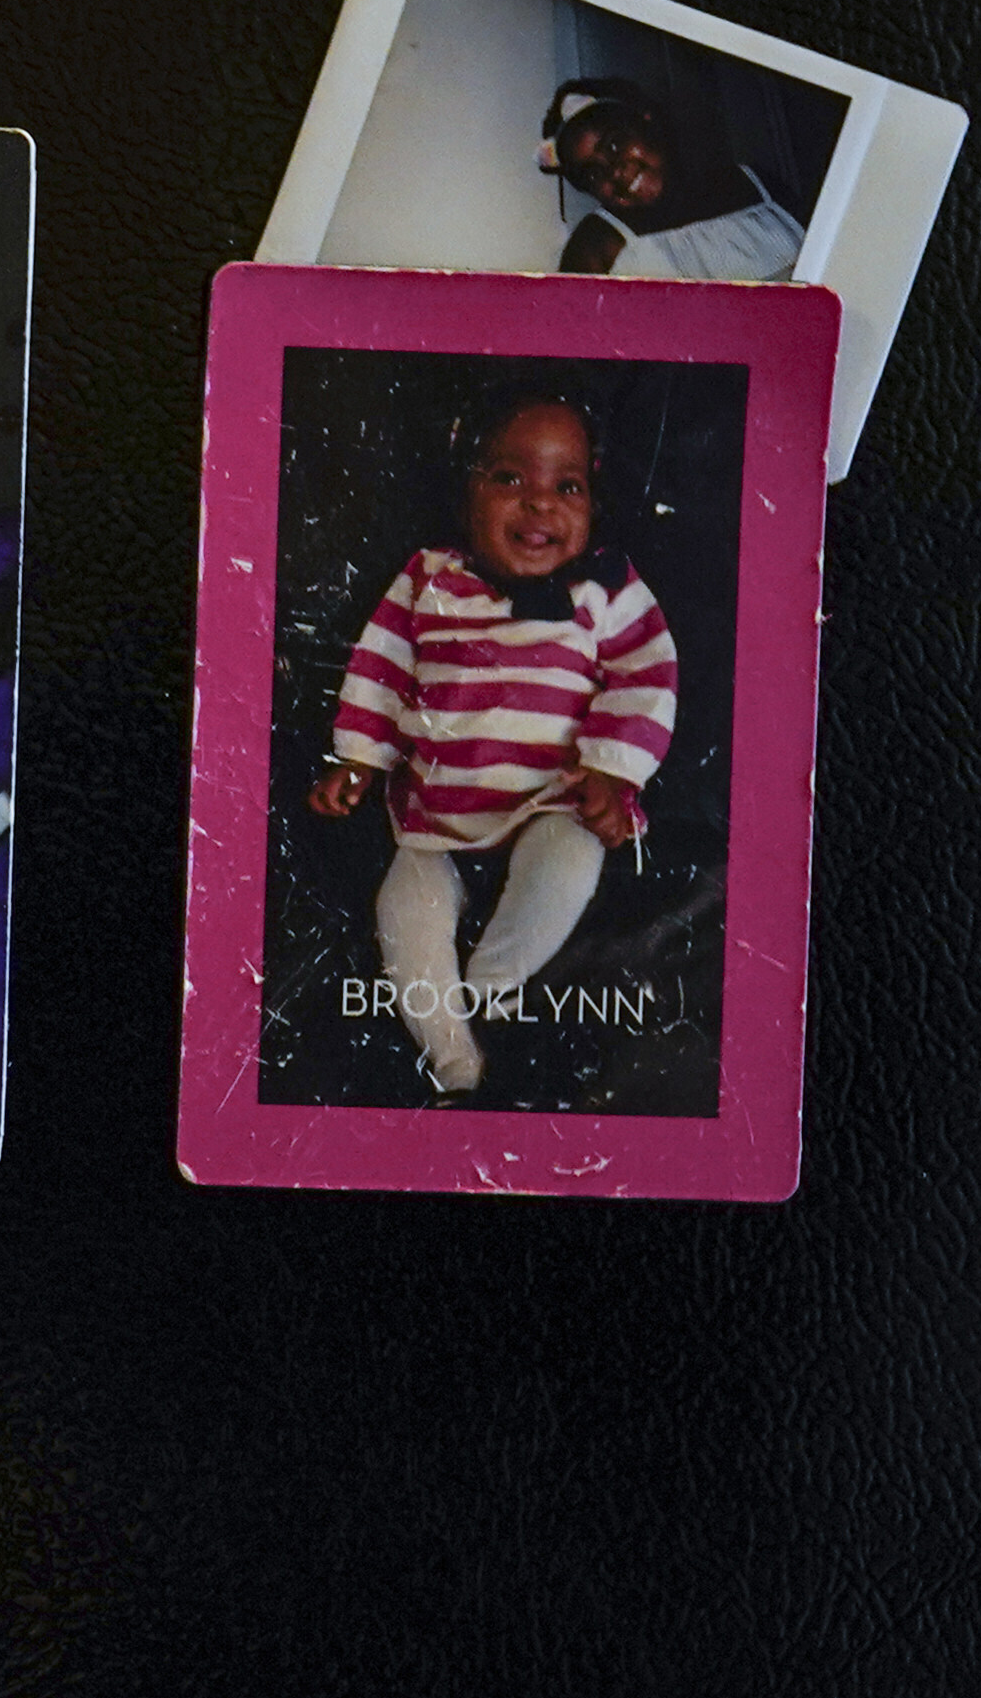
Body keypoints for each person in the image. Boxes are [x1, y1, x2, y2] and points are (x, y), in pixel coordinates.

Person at [308, 388, 680, 1098]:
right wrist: (357, 757)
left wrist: (611, 769)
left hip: (553, 799)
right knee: (403, 915)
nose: (540, 504)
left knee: (570, 863)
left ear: (597, 501)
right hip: (432, 818)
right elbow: (379, 668)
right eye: (510, 478)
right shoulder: (428, 578)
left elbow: (647, 674)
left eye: (566, 485)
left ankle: (497, 978)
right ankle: (451, 1055)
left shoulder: (605, 588)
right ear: (466, 490)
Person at [542, 79, 807, 281]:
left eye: (614, 144)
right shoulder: (598, 244)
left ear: (647, 121)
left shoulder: (755, 184)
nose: (613, 171)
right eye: (593, 173)